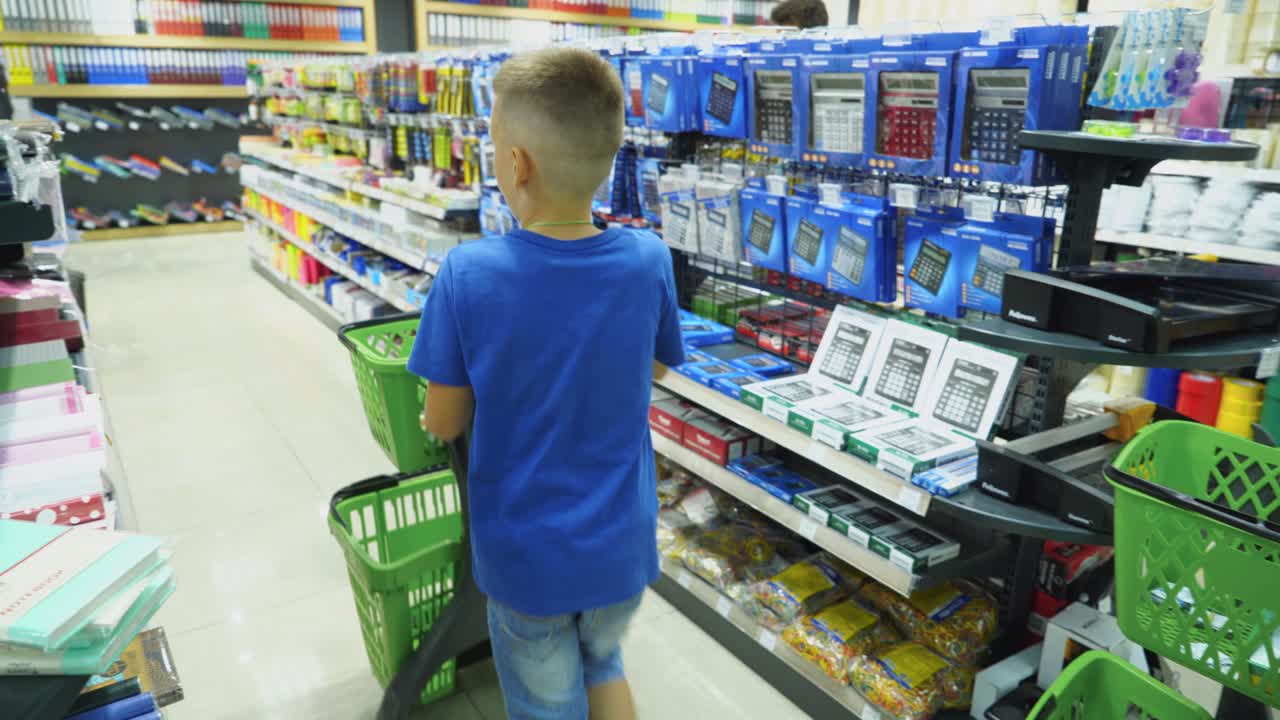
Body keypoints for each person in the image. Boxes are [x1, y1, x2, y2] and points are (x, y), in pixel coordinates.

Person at [407, 47, 685, 720]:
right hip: (621, 543)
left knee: (545, 700)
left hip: (530, 557)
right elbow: (652, 367)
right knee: (604, 662)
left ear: (515, 163)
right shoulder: (648, 258)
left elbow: (442, 420)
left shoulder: (468, 274)